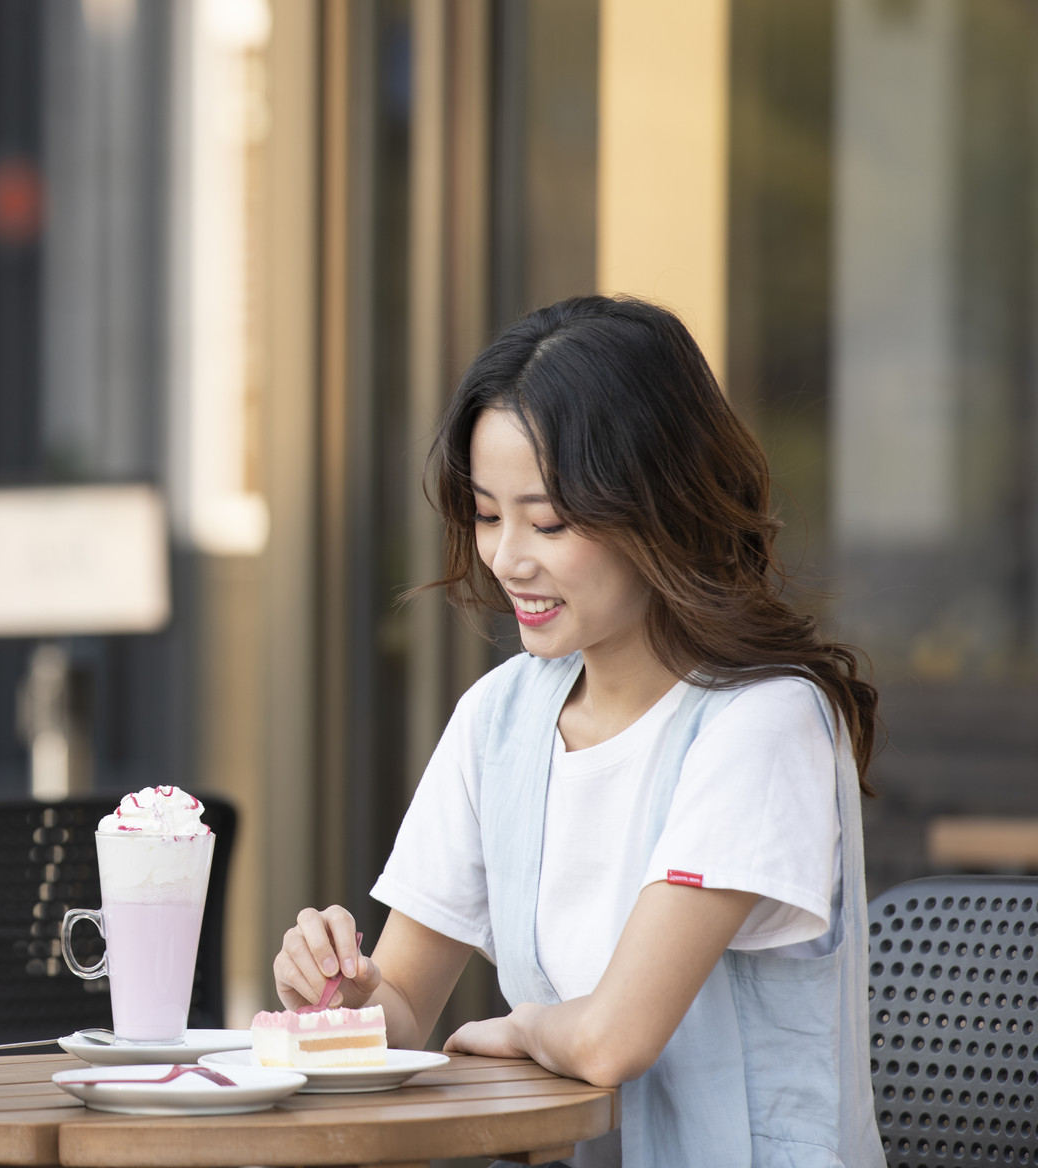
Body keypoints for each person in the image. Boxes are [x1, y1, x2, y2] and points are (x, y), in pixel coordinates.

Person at [275, 296, 882, 1167]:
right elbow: (405, 1011)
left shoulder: (764, 720)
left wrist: (514, 1030)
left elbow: (611, 1041)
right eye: (488, 515)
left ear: (658, 507)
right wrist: (343, 998)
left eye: (549, 521)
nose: (507, 558)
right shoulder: (501, 719)